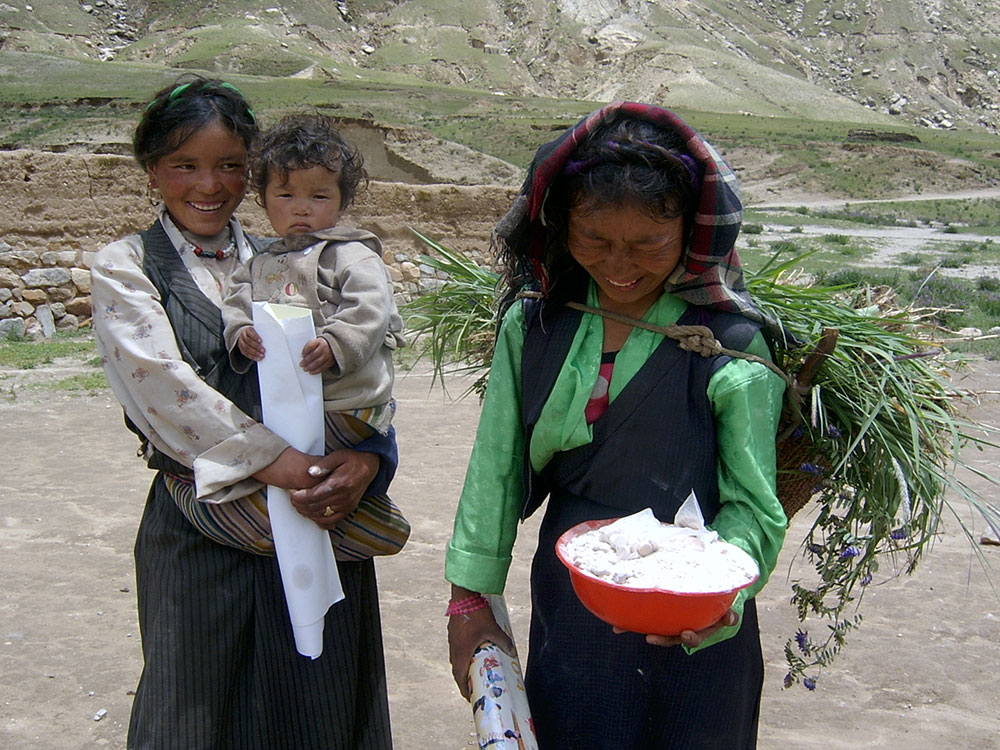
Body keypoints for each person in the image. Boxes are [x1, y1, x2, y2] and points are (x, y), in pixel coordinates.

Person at [444, 102, 788, 749]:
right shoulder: (537, 326)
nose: (619, 265)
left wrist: (714, 599)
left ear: (690, 232)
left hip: (700, 637)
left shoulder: (729, 347)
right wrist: (470, 601)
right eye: (595, 240)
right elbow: (494, 469)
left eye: (647, 244)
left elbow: (754, 507)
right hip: (575, 616)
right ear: (561, 224)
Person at [91, 76, 395, 749]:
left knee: (315, 704)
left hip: (318, 516)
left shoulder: (290, 254)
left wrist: (370, 459)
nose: (209, 185)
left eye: (230, 165)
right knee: (196, 707)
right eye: (185, 165)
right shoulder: (127, 267)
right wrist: (284, 465)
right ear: (152, 171)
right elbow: (163, 393)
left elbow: (365, 365)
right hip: (201, 528)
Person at [219, 112, 406, 559]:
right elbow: (235, 304)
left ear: (341, 202)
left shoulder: (352, 255)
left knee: (292, 472)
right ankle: (347, 528)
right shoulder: (260, 262)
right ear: (263, 200)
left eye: (319, 196)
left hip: (346, 403)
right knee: (297, 482)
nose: (301, 208)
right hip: (293, 405)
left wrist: (337, 343)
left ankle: (376, 528)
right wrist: (241, 333)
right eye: (285, 195)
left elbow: (369, 309)